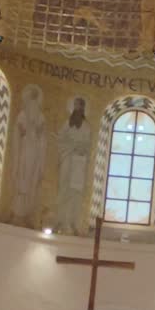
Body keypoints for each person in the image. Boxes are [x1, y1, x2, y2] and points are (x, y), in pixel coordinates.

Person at [55, 98, 92, 235]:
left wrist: (79, 147)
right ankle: (60, 220)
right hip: (67, 158)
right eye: (75, 107)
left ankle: (72, 222)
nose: (78, 110)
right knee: (63, 188)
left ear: (83, 110)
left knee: (75, 192)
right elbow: (60, 138)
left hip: (79, 162)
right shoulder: (67, 124)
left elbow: (87, 145)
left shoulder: (86, 127)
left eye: (80, 107)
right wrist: (68, 146)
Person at [12, 85, 47, 225]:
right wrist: (25, 131)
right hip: (24, 148)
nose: (33, 102)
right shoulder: (22, 114)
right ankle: (17, 213)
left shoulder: (40, 116)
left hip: (34, 151)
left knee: (30, 178)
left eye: (35, 98)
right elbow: (18, 131)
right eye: (30, 98)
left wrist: (37, 133)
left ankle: (27, 213)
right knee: (22, 176)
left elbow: (42, 135)